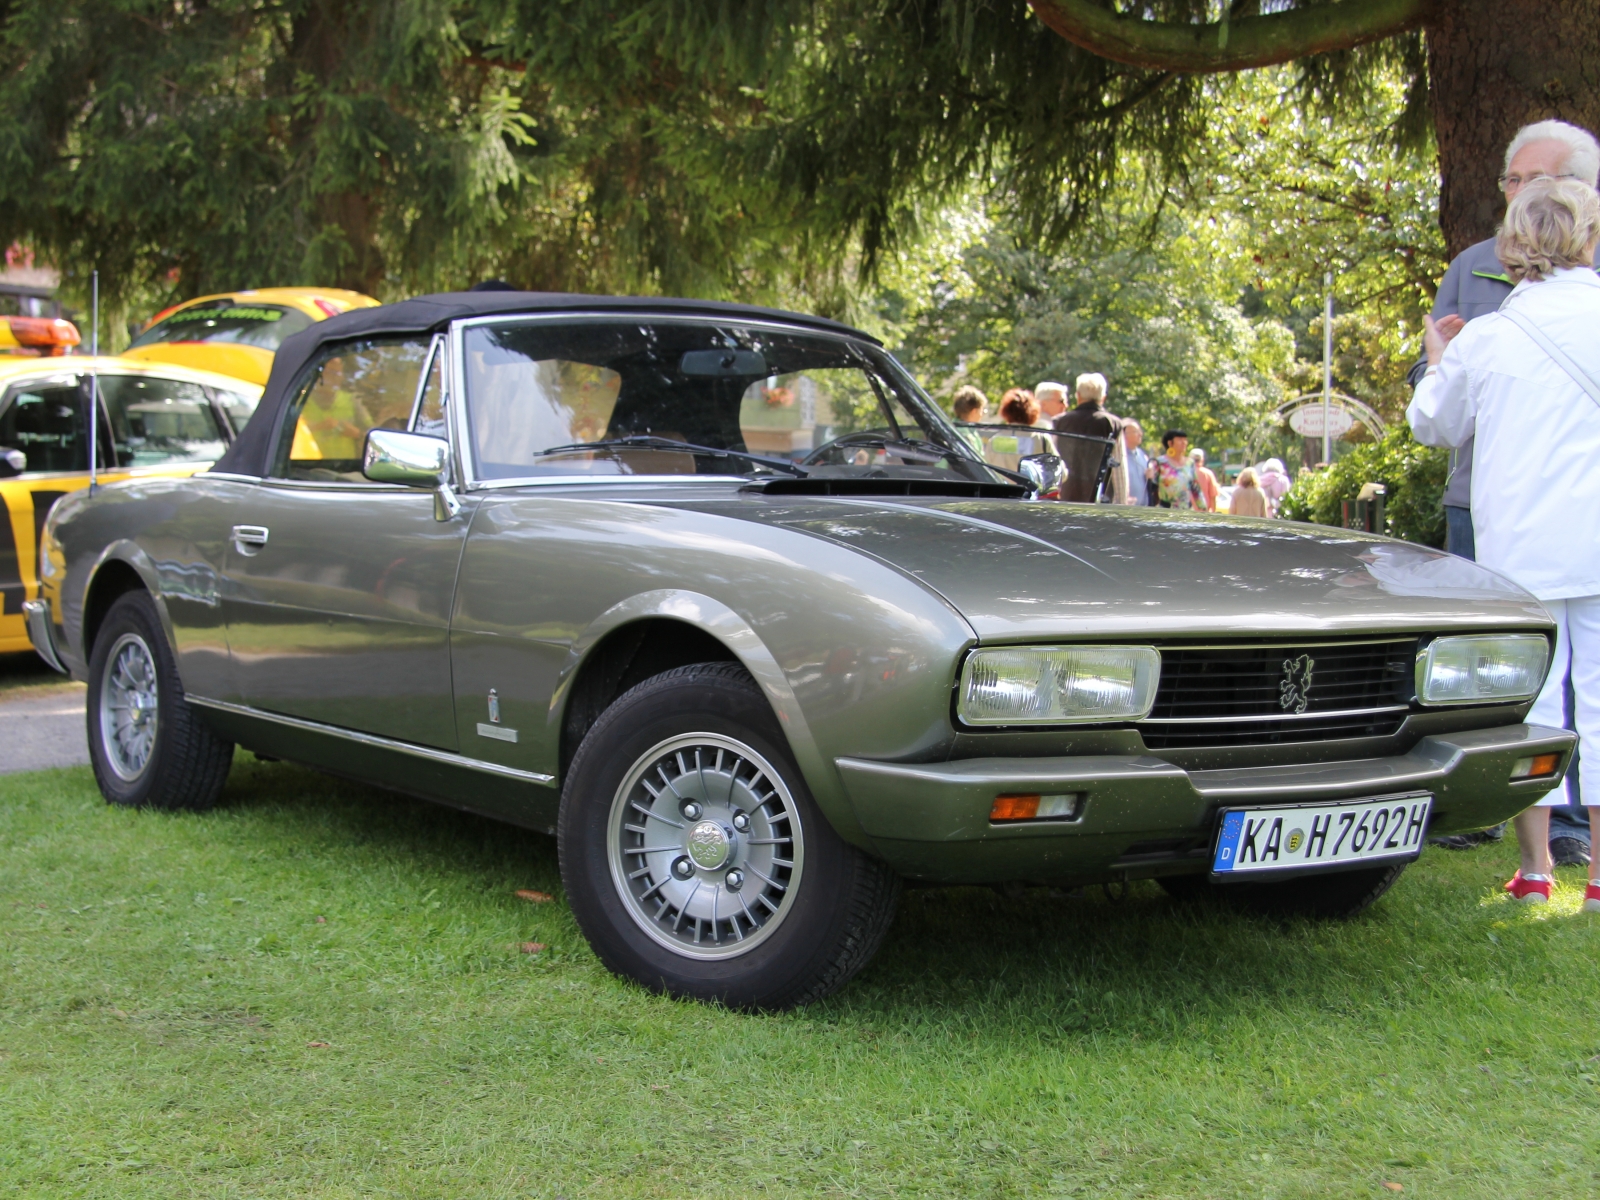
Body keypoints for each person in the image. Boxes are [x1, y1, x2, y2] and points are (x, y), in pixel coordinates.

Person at [1407, 176, 1600, 913]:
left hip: (1524, 543)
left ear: (1515, 245)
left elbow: (1432, 425)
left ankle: (1537, 864)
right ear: (1586, 236)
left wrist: (1435, 354)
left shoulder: (1490, 337)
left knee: (1535, 704)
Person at [1052, 373, 1128, 504]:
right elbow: (1119, 469)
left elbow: (1052, 460)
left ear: (1078, 396)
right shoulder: (1113, 424)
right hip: (1099, 502)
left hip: (1064, 499)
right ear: (1103, 398)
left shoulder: (1059, 422)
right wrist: (1121, 502)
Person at [988, 388, 1042, 472]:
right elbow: (1062, 473)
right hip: (1029, 485)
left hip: (1001, 484)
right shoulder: (1040, 439)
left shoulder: (996, 440)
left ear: (1005, 411)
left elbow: (987, 469)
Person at [1151, 430, 1204, 510]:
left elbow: (1196, 489)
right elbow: (1152, 487)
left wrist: (1203, 508)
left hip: (1186, 512)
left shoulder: (1190, 463)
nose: (1184, 442)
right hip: (1165, 511)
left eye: (1185, 440)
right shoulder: (1159, 462)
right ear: (1170, 443)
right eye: (1180, 439)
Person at [951, 385, 987, 456]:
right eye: (982, 410)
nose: (982, 414)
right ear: (974, 412)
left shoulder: (950, 428)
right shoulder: (965, 437)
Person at [1121, 419, 1150, 505]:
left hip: (1143, 510)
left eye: (1140, 431)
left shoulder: (1142, 455)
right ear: (1124, 435)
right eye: (1136, 431)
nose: (1140, 434)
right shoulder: (1118, 457)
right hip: (1124, 509)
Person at [1189, 447, 1220, 512]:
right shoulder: (1208, 474)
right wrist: (1213, 512)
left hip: (1186, 514)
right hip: (1203, 513)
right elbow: (1213, 496)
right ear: (1202, 460)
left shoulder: (1183, 473)